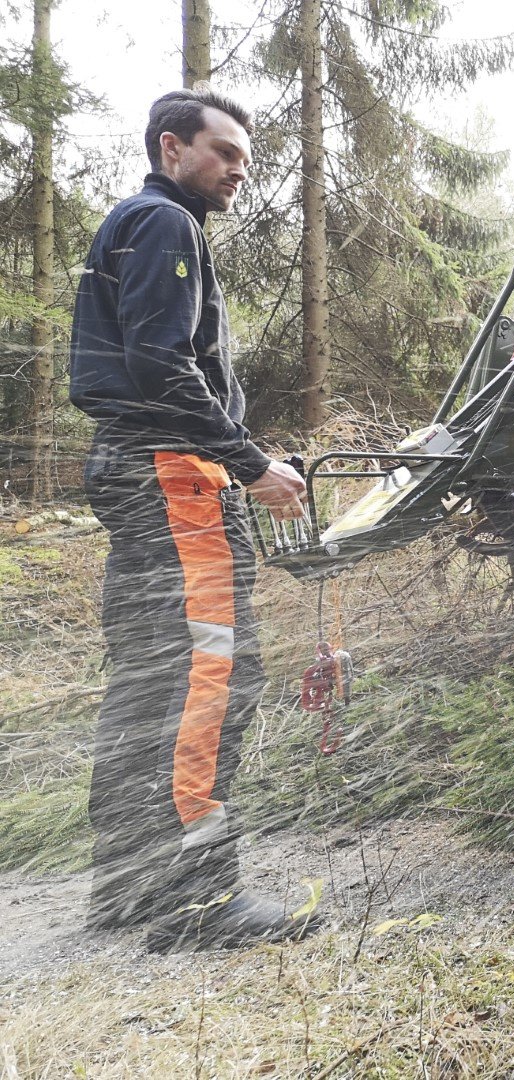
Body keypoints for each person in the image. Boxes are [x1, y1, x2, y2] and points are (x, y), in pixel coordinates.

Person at [69, 87, 317, 951]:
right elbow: (164, 366)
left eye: (246, 160)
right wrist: (250, 464)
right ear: (172, 148)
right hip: (174, 481)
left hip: (136, 472)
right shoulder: (166, 225)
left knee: (147, 682)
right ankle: (199, 901)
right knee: (211, 677)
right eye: (224, 153)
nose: (238, 171)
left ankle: (128, 889)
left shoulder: (136, 226)